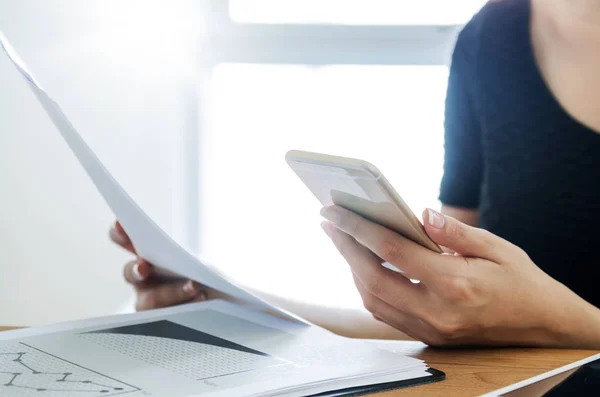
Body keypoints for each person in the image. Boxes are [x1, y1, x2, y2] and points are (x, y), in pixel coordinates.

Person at [112, 0, 600, 347]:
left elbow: (513, 320)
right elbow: (461, 317)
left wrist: (562, 322)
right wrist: (226, 299)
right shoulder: (492, 36)